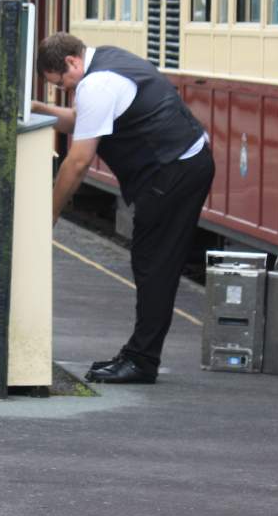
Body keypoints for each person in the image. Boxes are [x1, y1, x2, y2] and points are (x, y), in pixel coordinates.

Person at [31, 33, 214, 384]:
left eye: (63, 83)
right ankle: (139, 354)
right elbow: (83, 120)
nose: (66, 91)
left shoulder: (96, 84)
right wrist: (42, 113)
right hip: (185, 163)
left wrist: (49, 214)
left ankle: (142, 360)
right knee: (151, 261)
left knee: (153, 264)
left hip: (173, 169)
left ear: (72, 62)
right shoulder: (109, 62)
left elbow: (78, 161)